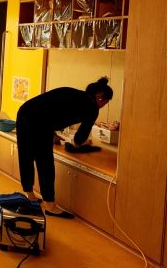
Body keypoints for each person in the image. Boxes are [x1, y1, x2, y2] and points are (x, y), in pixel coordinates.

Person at [15, 77, 114, 218]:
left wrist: (52, 134)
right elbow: (79, 139)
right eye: (106, 102)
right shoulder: (92, 107)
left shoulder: (74, 93)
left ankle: (29, 196)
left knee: (26, 155)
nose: (104, 105)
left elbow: (48, 109)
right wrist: (81, 144)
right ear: (100, 96)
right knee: (45, 163)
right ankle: (50, 206)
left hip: (24, 112)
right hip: (38, 122)